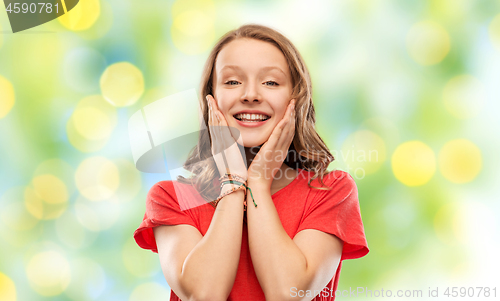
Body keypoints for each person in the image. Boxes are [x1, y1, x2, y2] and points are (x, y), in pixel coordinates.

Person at [134, 24, 369, 301]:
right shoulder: (171, 198)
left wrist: (257, 181)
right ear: (211, 99)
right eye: (232, 82)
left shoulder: (330, 191)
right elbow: (204, 295)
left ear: (296, 99)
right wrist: (234, 182)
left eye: (270, 82)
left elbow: (288, 294)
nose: (250, 95)